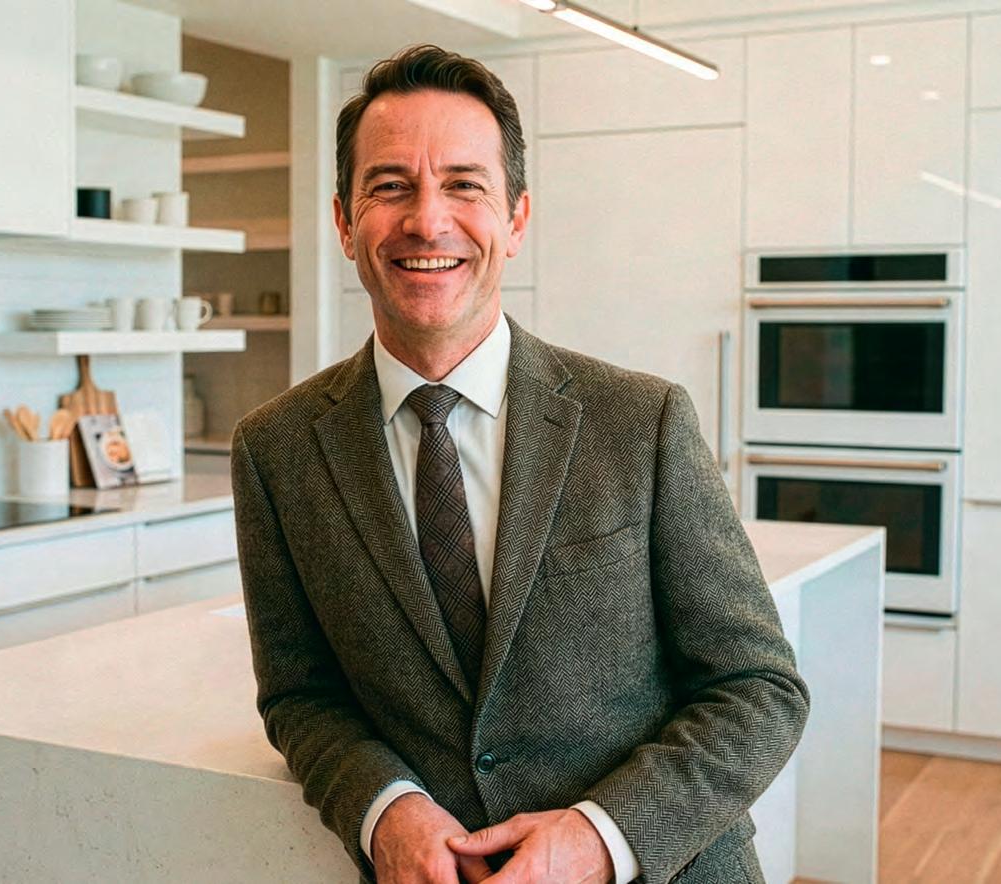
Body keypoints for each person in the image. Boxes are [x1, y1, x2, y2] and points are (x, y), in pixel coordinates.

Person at [231, 44, 808, 884]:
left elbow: (758, 688)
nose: (427, 220)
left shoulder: (640, 421)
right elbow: (299, 695)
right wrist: (383, 808)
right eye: (389, 186)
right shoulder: (276, 449)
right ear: (344, 222)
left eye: (464, 184)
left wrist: (600, 838)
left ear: (516, 219)